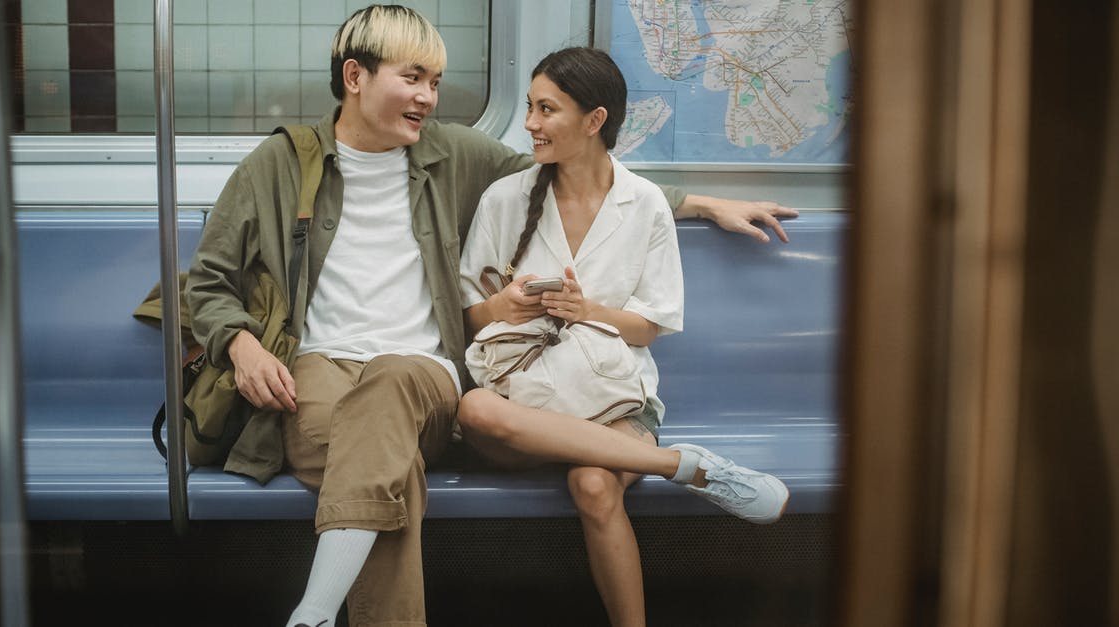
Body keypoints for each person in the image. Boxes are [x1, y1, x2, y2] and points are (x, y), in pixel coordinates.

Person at [186, 6, 796, 627]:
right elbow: (209, 281)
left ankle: (313, 612)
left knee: (391, 387)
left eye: (436, 83)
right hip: (320, 370)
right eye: (414, 78)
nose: (428, 98)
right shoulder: (280, 165)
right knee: (382, 468)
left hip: (422, 376)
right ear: (354, 75)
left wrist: (702, 202)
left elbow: (580, 174)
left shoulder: (453, 152)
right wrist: (240, 345)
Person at [455, 47, 790, 627]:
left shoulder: (644, 205)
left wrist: (588, 310)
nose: (530, 123)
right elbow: (470, 318)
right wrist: (504, 306)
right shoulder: (504, 199)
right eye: (530, 107)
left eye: (546, 109)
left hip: (609, 402)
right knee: (476, 408)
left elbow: (649, 326)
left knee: (593, 484)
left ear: (595, 120)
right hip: (522, 406)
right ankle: (682, 466)